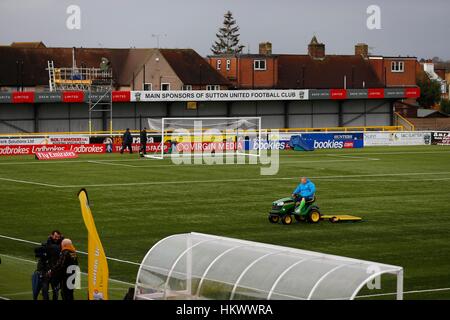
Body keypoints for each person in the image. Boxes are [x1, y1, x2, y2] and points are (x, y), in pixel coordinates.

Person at [32, 230, 63, 300]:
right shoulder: (48, 245)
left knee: (55, 291)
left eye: (58, 237)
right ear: (51, 235)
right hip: (45, 271)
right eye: (55, 236)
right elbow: (37, 252)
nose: (57, 238)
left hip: (54, 271)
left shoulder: (59, 245)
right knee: (45, 290)